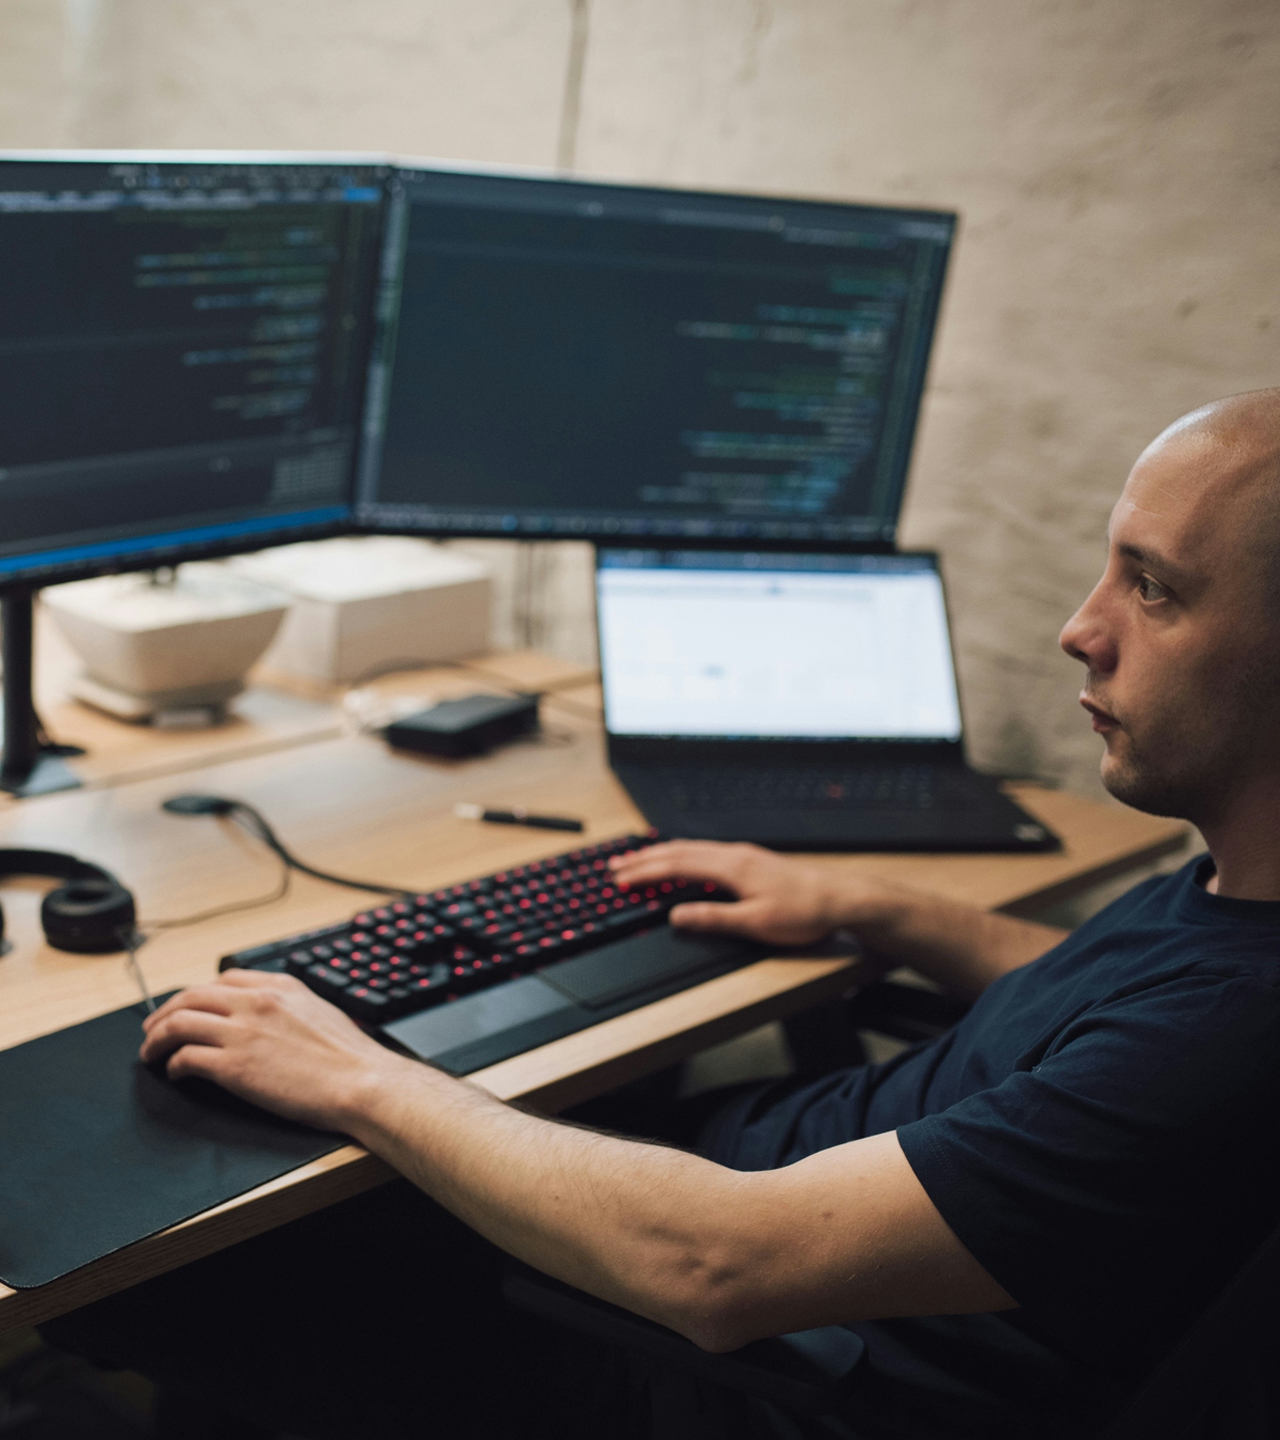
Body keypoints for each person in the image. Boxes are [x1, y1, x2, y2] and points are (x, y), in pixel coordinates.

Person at [44, 390, 1280, 1439]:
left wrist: (358, 1076)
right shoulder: (1239, 891)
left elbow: (717, 1270)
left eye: (1154, 589)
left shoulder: (1232, 1040)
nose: (1082, 628)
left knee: (195, 1256)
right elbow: (1106, 993)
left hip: (744, 1353)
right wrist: (867, 903)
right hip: (769, 1183)